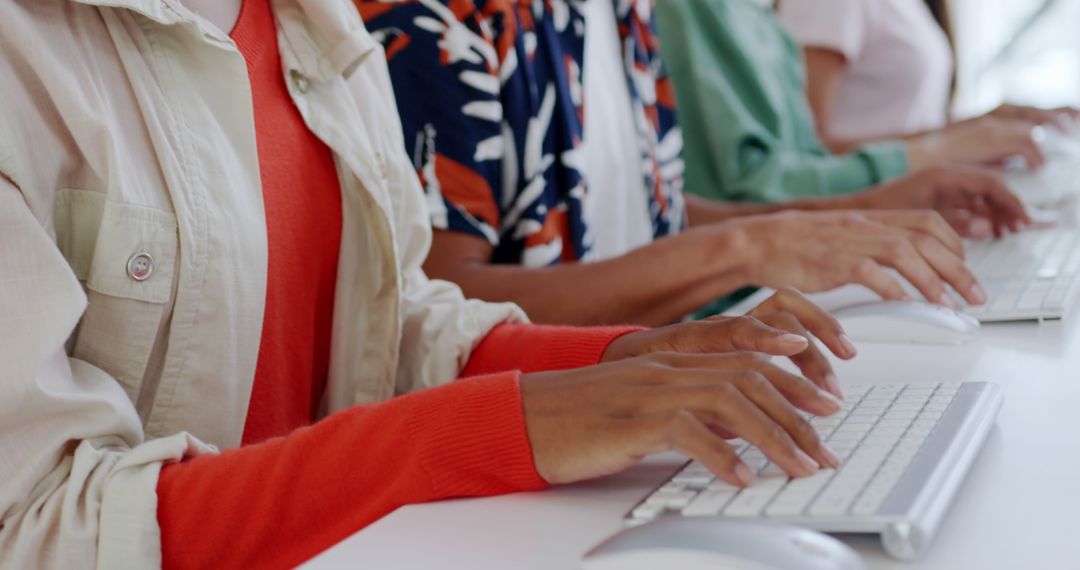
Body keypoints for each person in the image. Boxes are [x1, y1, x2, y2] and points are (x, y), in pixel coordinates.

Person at [0, 1, 867, 568]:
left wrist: (626, 364)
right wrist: (502, 424)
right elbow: (37, 530)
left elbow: (393, 320)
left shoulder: (316, 21)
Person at [355, 0, 1029, 327]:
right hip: (537, 442)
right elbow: (436, 304)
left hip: (653, 395)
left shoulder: (625, 14)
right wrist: (742, 250)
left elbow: (657, 214)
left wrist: (842, 216)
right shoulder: (433, 18)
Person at [654, 0, 1055, 206]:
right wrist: (935, 153)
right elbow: (759, 186)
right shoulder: (699, 12)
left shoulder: (759, 20)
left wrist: (961, 136)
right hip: (741, 294)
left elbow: (801, 158)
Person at [777, 0, 1079, 152]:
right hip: (863, 220)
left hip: (912, 206)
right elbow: (805, 151)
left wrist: (983, 126)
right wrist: (959, 142)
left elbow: (908, 124)